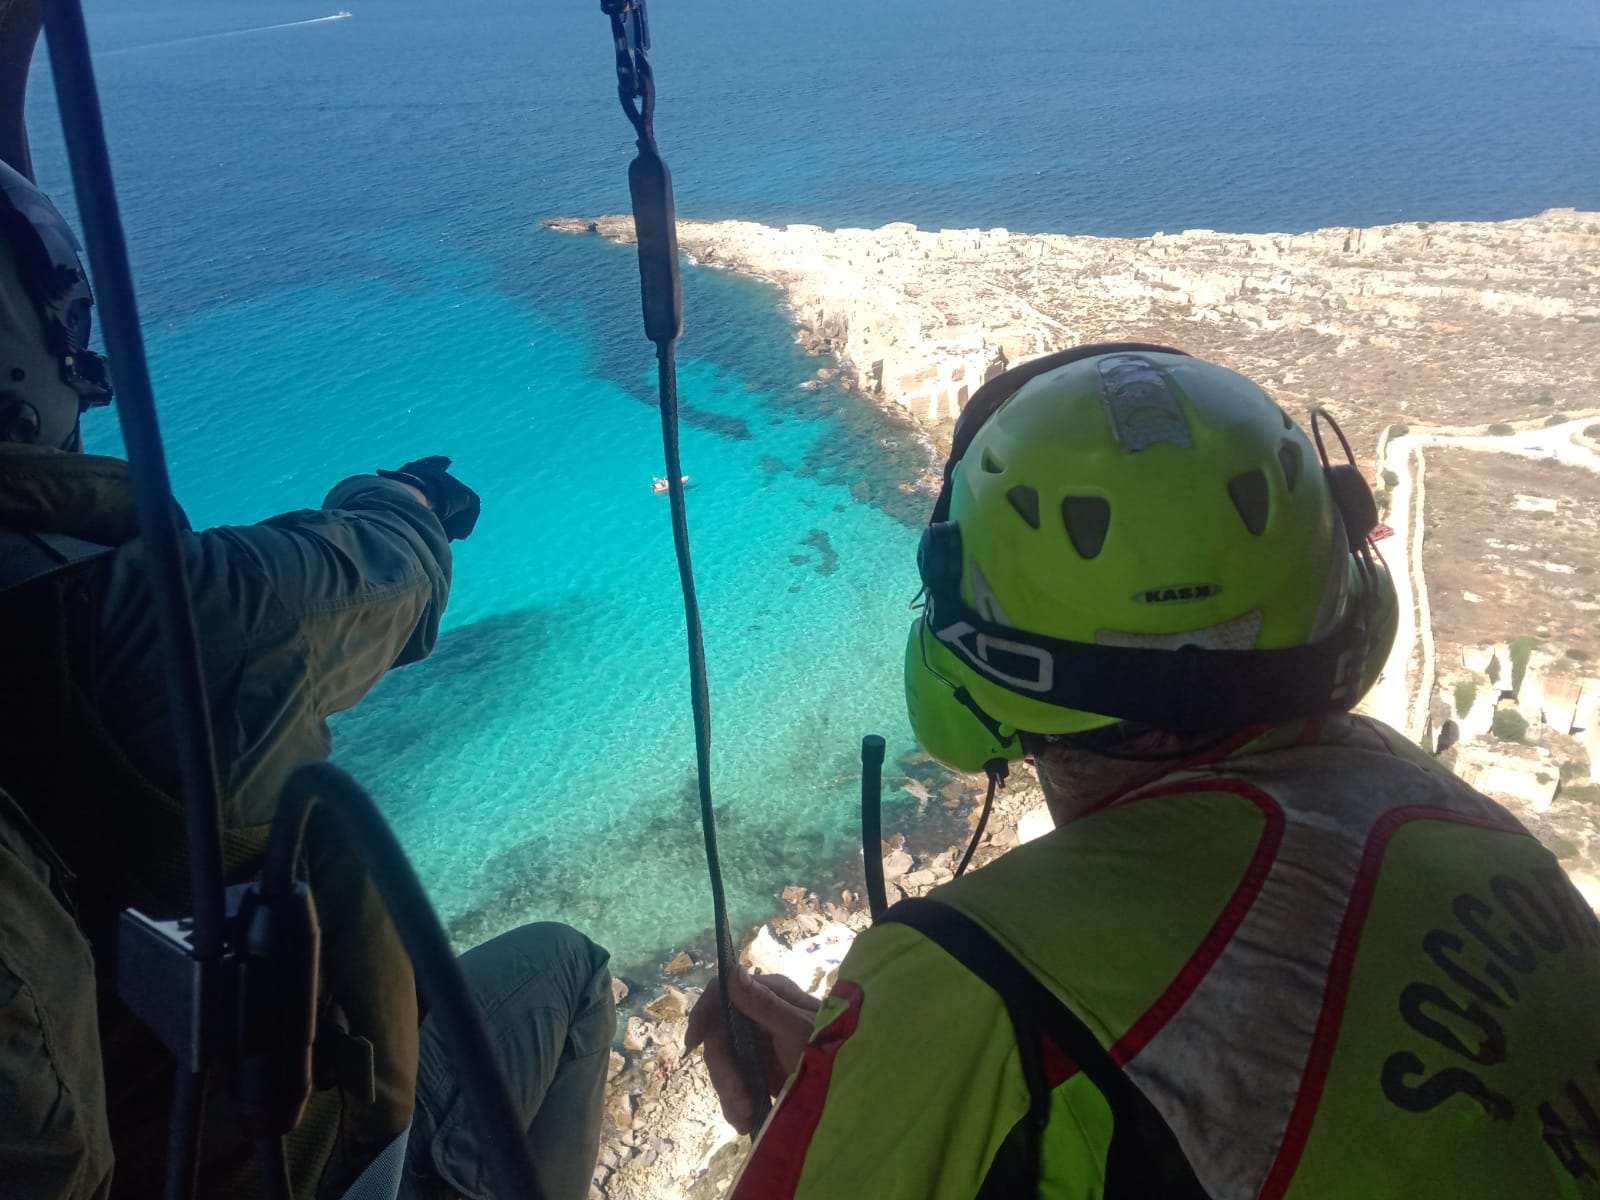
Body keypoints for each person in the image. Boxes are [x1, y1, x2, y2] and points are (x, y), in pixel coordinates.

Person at [689, 345, 1600, 1198]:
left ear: (959, 669)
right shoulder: (1470, 827)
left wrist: (904, 1051)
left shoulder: (971, 980)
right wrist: (898, 1062)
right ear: (1350, 605)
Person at [0, 12, 613, 1197]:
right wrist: (403, 499)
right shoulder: (163, 621)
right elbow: (376, 574)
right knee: (568, 972)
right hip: (300, 1158)